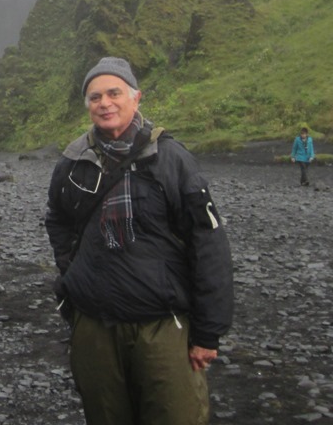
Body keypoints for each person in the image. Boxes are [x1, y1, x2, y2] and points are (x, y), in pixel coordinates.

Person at [45, 57, 234, 425]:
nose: (105, 103)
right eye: (95, 96)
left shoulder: (172, 160)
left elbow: (208, 244)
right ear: (88, 105)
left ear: (136, 97)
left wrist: (208, 332)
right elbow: (58, 219)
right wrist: (73, 271)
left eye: (114, 92)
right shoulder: (72, 162)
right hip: (95, 324)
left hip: (162, 325)